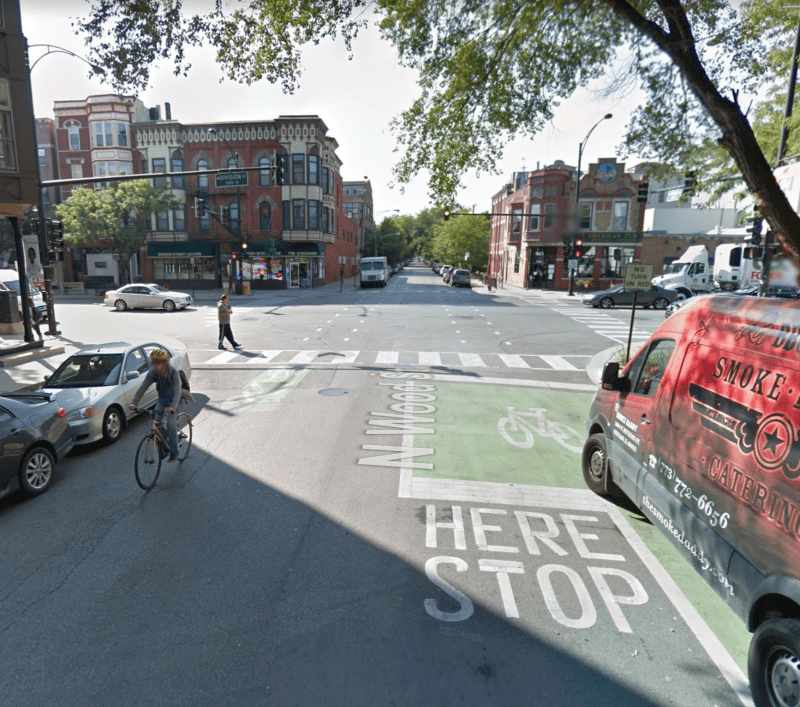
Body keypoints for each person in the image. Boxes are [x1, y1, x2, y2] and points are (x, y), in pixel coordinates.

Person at [129, 349, 182, 463]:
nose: (154, 365)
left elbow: (178, 392)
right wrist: (134, 403)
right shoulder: (153, 372)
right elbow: (143, 387)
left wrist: (172, 407)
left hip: (174, 402)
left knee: (170, 423)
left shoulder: (174, 373)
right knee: (156, 420)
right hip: (162, 401)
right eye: (153, 362)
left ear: (164, 363)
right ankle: (166, 439)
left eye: (157, 362)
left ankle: (175, 452)